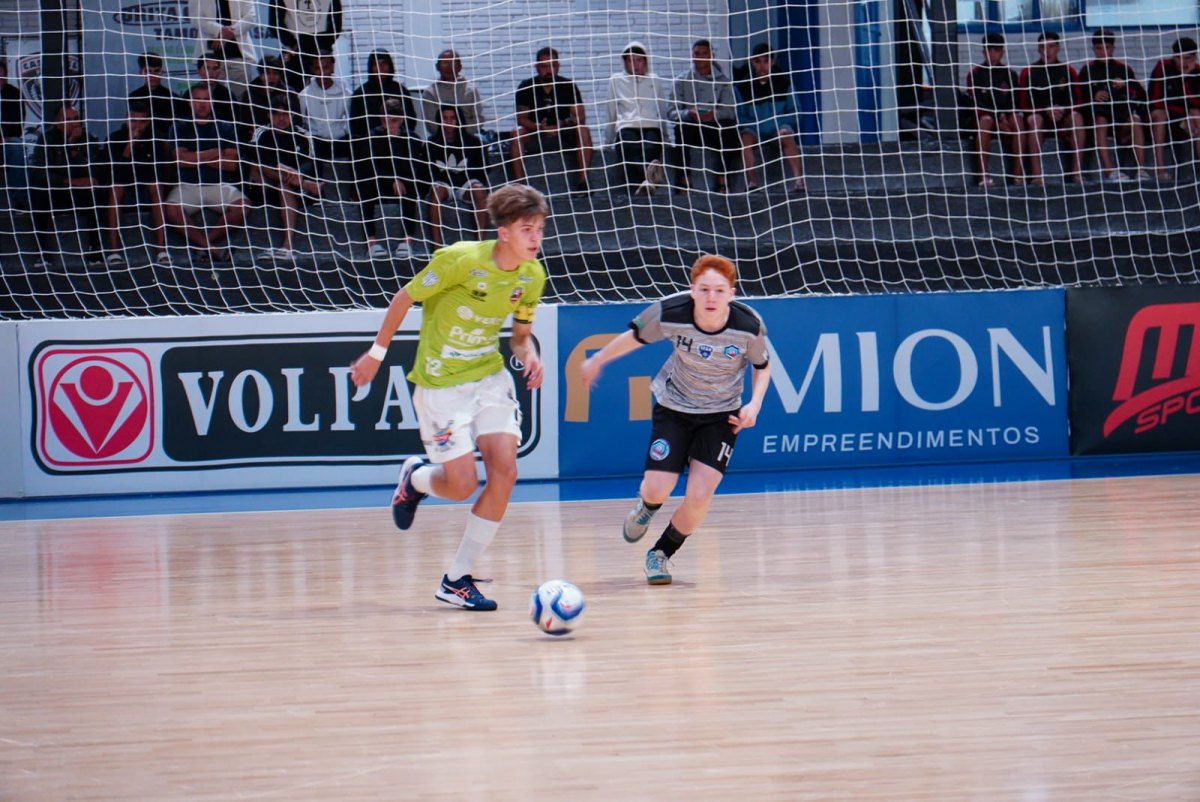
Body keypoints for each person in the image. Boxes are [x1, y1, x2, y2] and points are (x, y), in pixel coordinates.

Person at [349, 183, 549, 612]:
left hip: (489, 379)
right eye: (527, 229)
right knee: (460, 486)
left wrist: (530, 356)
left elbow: (518, 337)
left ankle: (457, 578)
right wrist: (376, 355)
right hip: (441, 385)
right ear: (504, 233)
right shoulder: (459, 260)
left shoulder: (532, 276)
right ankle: (417, 479)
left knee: (506, 473)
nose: (535, 238)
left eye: (539, 230)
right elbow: (404, 298)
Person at [578, 254, 771, 585]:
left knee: (700, 495)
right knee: (657, 488)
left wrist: (754, 405)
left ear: (732, 293)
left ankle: (661, 554)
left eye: (719, 291)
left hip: (721, 415)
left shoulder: (748, 325)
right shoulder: (671, 311)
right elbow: (633, 338)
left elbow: (763, 367)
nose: (712, 297)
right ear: (692, 290)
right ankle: (647, 506)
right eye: (705, 289)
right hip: (675, 407)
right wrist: (598, 360)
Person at [165, 83, 247, 261]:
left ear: (212, 102)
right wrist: (215, 153)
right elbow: (181, 161)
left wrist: (193, 156)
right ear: (190, 102)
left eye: (206, 99)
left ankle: (205, 245)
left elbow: (231, 165)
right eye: (197, 100)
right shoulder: (179, 126)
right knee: (171, 209)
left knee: (243, 206)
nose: (202, 104)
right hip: (188, 185)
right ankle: (213, 249)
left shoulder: (225, 127)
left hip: (219, 184)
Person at [30, 104, 107, 268]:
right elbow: (41, 174)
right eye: (67, 120)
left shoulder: (88, 139)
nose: (73, 123)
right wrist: (70, 182)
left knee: (98, 193)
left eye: (76, 119)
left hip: (80, 194)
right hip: (57, 191)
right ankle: (42, 253)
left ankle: (96, 251)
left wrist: (73, 147)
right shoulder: (47, 139)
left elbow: (93, 172)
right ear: (58, 122)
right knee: (38, 192)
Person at [512, 46, 594, 192]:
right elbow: (521, 119)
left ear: (558, 66)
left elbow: (580, 117)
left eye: (552, 65)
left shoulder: (568, 86)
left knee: (583, 131)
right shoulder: (526, 86)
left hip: (563, 134)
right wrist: (539, 127)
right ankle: (520, 186)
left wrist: (562, 124)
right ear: (537, 67)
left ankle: (583, 184)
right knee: (517, 133)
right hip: (536, 134)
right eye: (544, 66)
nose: (549, 70)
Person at [358, 97, 431, 259]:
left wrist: (396, 140)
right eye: (385, 121)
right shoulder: (372, 136)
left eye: (394, 121)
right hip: (379, 182)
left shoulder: (411, 138)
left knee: (411, 186)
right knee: (365, 187)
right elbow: (371, 166)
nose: (389, 125)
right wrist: (391, 179)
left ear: (402, 119)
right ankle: (371, 242)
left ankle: (407, 240)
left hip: (403, 183)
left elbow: (411, 167)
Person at [105, 100, 174, 267]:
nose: (137, 125)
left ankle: (161, 249)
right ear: (126, 119)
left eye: (142, 121)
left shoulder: (155, 138)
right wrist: (129, 147)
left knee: (156, 188)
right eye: (133, 120)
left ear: (148, 121)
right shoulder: (115, 138)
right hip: (124, 181)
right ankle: (114, 251)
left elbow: (156, 171)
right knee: (116, 190)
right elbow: (115, 173)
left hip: (147, 181)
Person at [252, 92, 321, 261]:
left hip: (297, 190)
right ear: (268, 114)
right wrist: (287, 171)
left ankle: (287, 247)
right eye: (276, 113)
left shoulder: (304, 135)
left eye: (285, 114)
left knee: (285, 186)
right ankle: (306, 184)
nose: (281, 118)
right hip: (267, 186)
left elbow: (311, 163)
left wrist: (298, 175)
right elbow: (259, 159)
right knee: (256, 167)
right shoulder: (262, 133)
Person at [668, 39, 741, 193]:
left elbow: (730, 110)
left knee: (730, 130)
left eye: (705, 53)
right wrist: (689, 113)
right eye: (697, 53)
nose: (701, 57)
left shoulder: (723, 80)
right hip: (692, 126)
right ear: (692, 56)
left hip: (713, 126)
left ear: (711, 56)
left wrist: (714, 115)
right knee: (680, 129)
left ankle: (722, 180)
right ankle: (684, 181)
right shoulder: (681, 80)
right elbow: (671, 112)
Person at [1077, 28, 1148, 183]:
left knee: (1135, 121)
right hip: (1098, 119)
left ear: (1113, 48)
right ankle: (1110, 172)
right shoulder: (1087, 70)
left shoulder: (1123, 69)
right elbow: (1078, 99)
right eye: (1098, 48)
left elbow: (1141, 94)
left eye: (1106, 48)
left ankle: (1141, 170)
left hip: (1121, 117)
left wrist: (1125, 86)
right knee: (1101, 121)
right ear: (1093, 49)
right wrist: (1093, 96)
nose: (1102, 52)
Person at [736, 43, 805, 193]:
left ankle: (799, 181)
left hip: (778, 129)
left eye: (766, 61)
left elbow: (796, 112)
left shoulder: (785, 84)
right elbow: (739, 116)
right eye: (758, 61)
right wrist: (759, 125)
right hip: (755, 130)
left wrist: (776, 124)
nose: (762, 66)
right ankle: (752, 182)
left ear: (772, 62)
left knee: (787, 135)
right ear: (752, 62)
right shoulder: (742, 87)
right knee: (745, 138)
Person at [1018, 31, 1084, 185]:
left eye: (1051, 47)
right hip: (1041, 119)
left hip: (1063, 119)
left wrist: (1062, 109)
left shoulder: (1068, 71)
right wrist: (1046, 110)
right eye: (1042, 47)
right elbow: (1023, 105)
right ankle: (1036, 176)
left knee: (1077, 117)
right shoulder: (1028, 72)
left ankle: (1077, 173)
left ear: (1058, 48)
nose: (1046, 51)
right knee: (1034, 120)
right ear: (1038, 49)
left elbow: (1079, 101)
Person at [604, 41, 671, 194]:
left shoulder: (654, 80)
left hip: (650, 125)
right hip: (627, 126)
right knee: (629, 147)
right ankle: (647, 181)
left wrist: (666, 138)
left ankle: (643, 184)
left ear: (645, 61)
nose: (635, 64)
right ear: (625, 62)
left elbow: (661, 109)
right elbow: (611, 112)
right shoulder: (616, 80)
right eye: (630, 60)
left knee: (651, 147)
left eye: (639, 60)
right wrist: (607, 142)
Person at [965, 33, 1025, 187]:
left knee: (1017, 120)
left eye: (996, 50)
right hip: (984, 118)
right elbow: (977, 104)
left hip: (1005, 117)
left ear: (1002, 52)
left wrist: (1005, 118)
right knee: (986, 120)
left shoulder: (1010, 74)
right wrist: (999, 120)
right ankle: (983, 175)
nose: (992, 54)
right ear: (983, 52)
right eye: (989, 50)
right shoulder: (975, 74)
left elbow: (1014, 102)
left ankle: (1018, 175)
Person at [427, 105, 490, 247]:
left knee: (479, 191)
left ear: (459, 119)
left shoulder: (473, 142)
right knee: (436, 193)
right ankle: (437, 248)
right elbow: (426, 171)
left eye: (453, 118)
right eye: (445, 118)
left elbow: (482, 170)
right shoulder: (431, 143)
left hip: (466, 183)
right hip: (443, 184)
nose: (449, 122)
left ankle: (480, 245)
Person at [1148, 36, 1200, 180]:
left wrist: (1186, 78)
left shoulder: (1197, 72)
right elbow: (1156, 99)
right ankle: (1160, 170)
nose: (1182, 63)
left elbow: (1196, 103)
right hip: (1165, 114)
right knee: (1160, 115)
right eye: (1178, 58)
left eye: (1187, 58)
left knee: (1196, 114)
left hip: (1187, 117)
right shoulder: (1163, 66)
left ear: (1194, 58)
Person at [299, 52, 351, 184]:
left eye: (325, 67)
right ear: (311, 69)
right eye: (317, 68)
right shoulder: (304, 95)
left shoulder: (346, 93)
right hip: (315, 141)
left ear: (333, 66)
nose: (322, 72)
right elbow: (302, 121)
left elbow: (350, 120)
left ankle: (352, 192)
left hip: (340, 140)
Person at [191, 0, 256, 97]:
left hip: (239, 56)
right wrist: (219, 30)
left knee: (242, 98)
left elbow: (251, 18)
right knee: (213, 96)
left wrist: (230, 32)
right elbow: (196, 20)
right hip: (211, 57)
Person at [349, 50, 417, 140]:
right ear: (370, 67)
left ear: (390, 66)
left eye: (384, 63)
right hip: (370, 143)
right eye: (375, 64)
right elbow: (355, 125)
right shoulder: (360, 93)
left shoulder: (400, 90)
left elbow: (410, 120)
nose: (380, 67)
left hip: (399, 140)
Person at [421, 48, 486, 136]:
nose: (449, 67)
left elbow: (478, 119)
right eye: (445, 63)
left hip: (468, 136)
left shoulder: (470, 90)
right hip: (441, 138)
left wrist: (459, 133)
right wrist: (449, 134)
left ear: (460, 67)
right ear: (437, 67)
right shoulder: (430, 92)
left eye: (453, 63)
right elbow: (431, 124)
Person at [128, 53, 183, 137]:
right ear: (140, 73)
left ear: (162, 72)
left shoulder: (173, 98)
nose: (153, 76)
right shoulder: (134, 97)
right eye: (148, 71)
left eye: (156, 71)